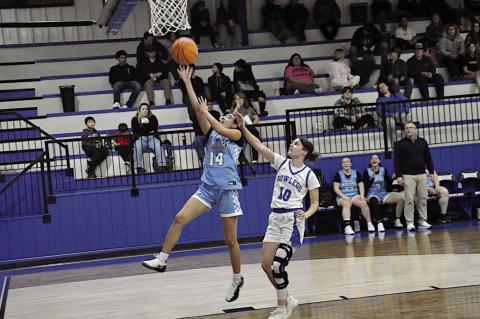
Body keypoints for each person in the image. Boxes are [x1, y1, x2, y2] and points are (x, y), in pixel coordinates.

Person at [142, 66, 246, 304]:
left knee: (231, 241)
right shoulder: (212, 133)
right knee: (179, 218)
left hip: (227, 190)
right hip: (208, 188)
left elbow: (217, 124)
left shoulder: (237, 137)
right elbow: (198, 111)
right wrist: (186, 82)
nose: (222, 118)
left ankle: (237, 277)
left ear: (235, 124)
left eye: (227, 116)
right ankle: (162, 259)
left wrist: (207, 112)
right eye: (221, 116)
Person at [233, 110, 319, 319]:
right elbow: (259, 146)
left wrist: (306, 214)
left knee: (278, 266)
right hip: (275, 219)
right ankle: (287, 297)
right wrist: (243, 128)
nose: (292, 145)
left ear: (304, 151)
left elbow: (315, 202)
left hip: (292, 221)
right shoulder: (281, 162)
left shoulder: (309, 174)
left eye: (296, 143)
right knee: (266, 265)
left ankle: (282, 308)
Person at [394, 121, 434, 231]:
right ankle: (410, 222)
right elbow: (396, 162)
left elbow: (428, 158)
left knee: (423, 198)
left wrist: (431, 171)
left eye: (411, 127)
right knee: (409, 200)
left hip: (421, 174)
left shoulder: (422, 142)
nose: (409, 129)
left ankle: (422, 221)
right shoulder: (400, 144)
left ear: (415, 129)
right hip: (407, 176)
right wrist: (399, 176)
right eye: (406, 128)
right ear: (404, 130)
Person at [333, 157, 375, 235]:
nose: (345, 163)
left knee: (363, 202)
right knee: (346, 203)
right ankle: (347, 226)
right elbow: (336, 188)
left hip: (354, 195)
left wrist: (362, 195)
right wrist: (344, 196)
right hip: (342, 197)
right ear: (342, 165)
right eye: (343, 162)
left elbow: (361, 185)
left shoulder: (356, 173)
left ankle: (369, 223)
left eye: (347, 162)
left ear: (351, 164)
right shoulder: (338, 174)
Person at [363, 154, 405, 232]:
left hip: (383, 193)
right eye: (372, 158)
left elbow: (388, 183)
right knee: (373, 201)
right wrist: (372, 177)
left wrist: (395, 178)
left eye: (376, 158)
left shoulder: (383, 170)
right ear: (370, 161)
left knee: (401, 199)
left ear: (379, 161)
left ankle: (397, 219)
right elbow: (365, 185)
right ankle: (379, 223)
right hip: (372, 193)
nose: (374, 160)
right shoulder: (367, 171)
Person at [131, 103, 168, 174]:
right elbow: (135, 130)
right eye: (143, 109)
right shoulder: (135, 119)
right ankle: (138, 167)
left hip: (152, 137)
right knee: (137, 147)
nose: (145, 110)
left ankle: (162, 165)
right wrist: (145, 125)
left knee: (158, 146)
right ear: (139, 110)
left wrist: (144, 126)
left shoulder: (152, 117)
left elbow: (154, 127)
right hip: (141, 138)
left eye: (146, 109)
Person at [231, 92, 261, 163]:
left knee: (255, 136)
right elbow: (231, 117)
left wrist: (254, 123)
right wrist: (237, 108)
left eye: (240, 98)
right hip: (240, 128)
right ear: (235, 101)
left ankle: (255, 158)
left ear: (244, 99)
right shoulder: (234, 109)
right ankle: (242, 159)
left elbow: (256, 117)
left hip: (250, 127)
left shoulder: (249, 108)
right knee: (238, 140)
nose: (239, 100)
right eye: (237, 99)